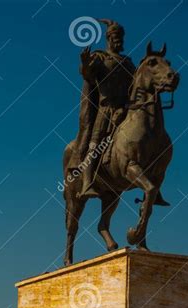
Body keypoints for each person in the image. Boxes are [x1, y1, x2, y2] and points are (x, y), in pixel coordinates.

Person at [71, 19, 135, 198]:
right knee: (95, 144)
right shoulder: (100, 57)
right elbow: (88, 75)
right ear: (108, 38)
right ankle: (86, 183)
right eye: (116, 36)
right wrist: (84, 64)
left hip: (126, 111)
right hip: (106, 111)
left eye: (121, 37)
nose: (119, 40)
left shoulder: (129, 63)